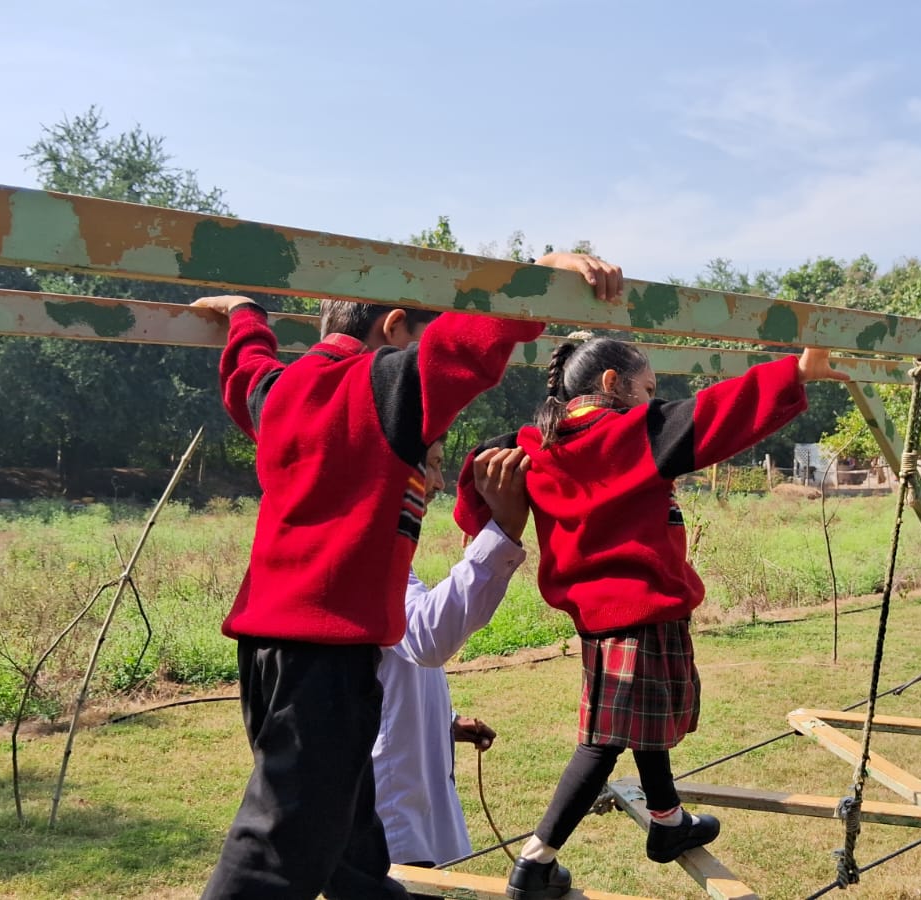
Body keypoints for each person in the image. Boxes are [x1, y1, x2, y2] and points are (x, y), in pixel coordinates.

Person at [193, 252, 618, 900]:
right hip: (326, 655)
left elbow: (247, 370)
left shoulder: (281, 392)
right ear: (394, 329)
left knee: (351, 846)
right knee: (275, 851)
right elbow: (469, 344)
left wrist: (245, 314)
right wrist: (538, 276)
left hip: (267, 652)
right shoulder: (382, 384)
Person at [456, 336, 849, 899]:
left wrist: (475, 521)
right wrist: (796, 373)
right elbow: (716, 413)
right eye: (646, 389)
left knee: (635, 724)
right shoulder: (629, 433)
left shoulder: (534, 445)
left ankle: (667, 822)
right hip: (640, 612)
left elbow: (477, 468)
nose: (652, 401)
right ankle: (535, 861)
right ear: (611, 384)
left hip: (598, 621)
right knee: (602, 743)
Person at [374, 436, 532, 867]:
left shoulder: (384, 550)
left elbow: (390, 664)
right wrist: (503, 530)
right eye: (431, 464)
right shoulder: (368, 554)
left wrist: (446, 721)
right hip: (390, 808)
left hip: (404, 795)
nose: (439, 482)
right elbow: (425, 636)